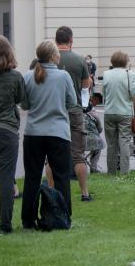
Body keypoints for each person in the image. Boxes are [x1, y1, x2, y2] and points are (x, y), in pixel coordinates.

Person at [21, 41, 77, 228]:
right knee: (61, 177)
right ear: (54, 56)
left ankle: (28, 219)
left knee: (32, 177)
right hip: (58, 132)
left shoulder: (28, 76)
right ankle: (62, 215)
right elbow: (72, 102)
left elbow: (25, 105)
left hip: (33, 133)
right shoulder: (63, 76)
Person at [54, 26, 93, 202]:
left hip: (54, 110)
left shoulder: (49, 59)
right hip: (75, 110)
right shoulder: (79, 60)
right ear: (71, 40)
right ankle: (85, 193)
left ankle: (51, 191)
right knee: (78, 153)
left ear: (56, 41)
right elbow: (85, 86)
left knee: (51, 155)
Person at [0, 35, 26, 234]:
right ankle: (5, 225)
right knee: (6, 178)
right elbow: (21, 100)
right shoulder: (15, 77)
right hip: (6, 130)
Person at [102, 51, 135, 174]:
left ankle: (111, 171)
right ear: (125, 61)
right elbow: (134, 94)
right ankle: (124, 171)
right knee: (124, 142)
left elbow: (104, 94)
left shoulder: (106, 74)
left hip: (109, 111)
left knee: (111, 144)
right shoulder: (130, 74)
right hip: (125, 112)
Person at [85, 92, 105, 174]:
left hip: (77, 139)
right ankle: (93, 167)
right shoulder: (93, 113)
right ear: (95, 99)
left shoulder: (78, 109)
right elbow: (100, 129)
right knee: (98, 143)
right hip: (91, 139)